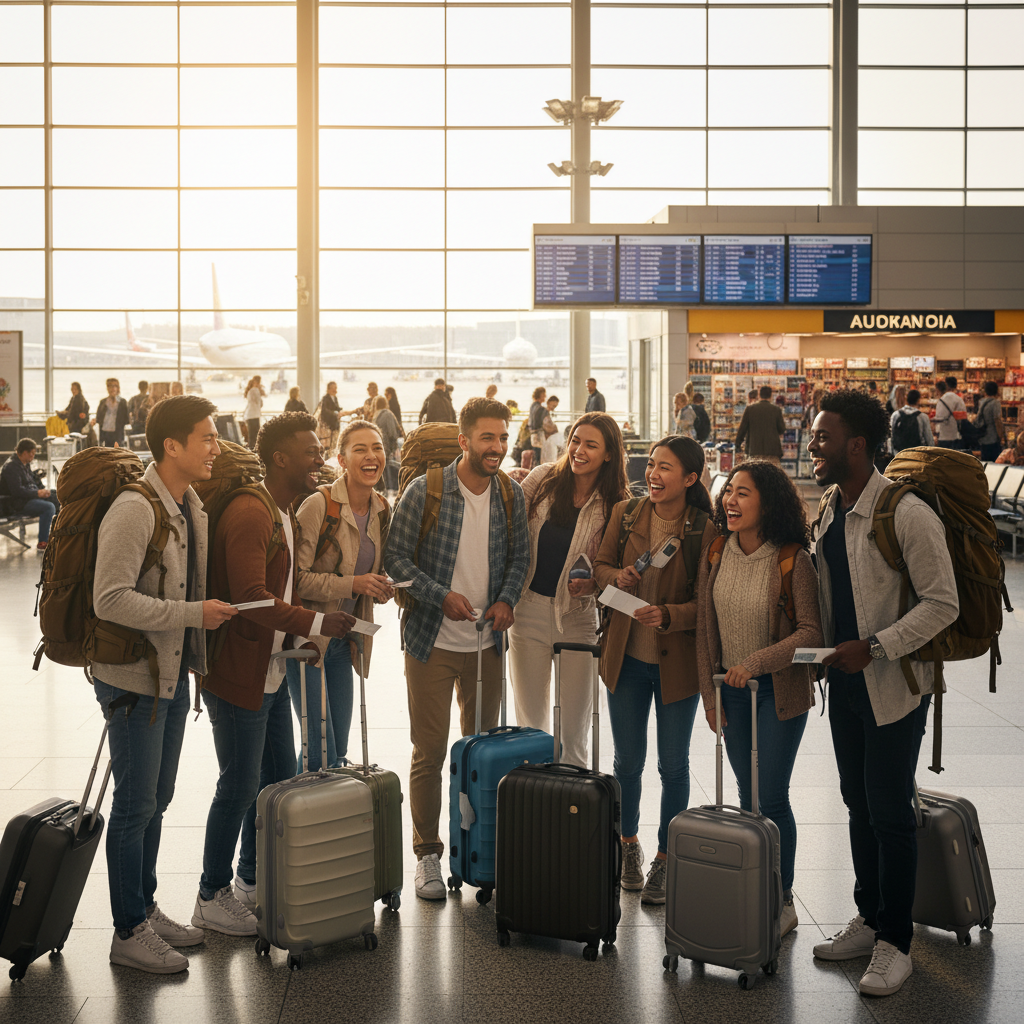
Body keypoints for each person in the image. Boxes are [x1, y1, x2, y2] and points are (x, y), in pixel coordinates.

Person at [807, 389, 958, 997]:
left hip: (893, 684)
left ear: (857, 444)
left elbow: (942, 603)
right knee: (856, 800)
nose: (813, 446)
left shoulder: (906, 513)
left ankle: (897, 942)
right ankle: (869, 919)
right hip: (843, 682)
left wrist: (872, 647)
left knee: (889, 809)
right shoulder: (828, 506)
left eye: (823, 437)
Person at [194, 412, 356, 935]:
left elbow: (274, 596)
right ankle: (211, 892)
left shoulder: (281, 511)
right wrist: (313, 620)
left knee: (277, 780)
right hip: (238, 671)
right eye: (311, 452)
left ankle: (249, 879)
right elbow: (249, 597)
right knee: (239, 784)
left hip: (269, 668)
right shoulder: (252, 511)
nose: (321, 461)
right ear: (280, 457)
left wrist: (298, 638)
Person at [90, 395, 237, 973]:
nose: (215, 446)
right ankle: (126, 930)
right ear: (171, 446)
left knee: (157, 798)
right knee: (133, 806)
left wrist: (193, 644)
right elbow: (110, 597)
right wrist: (192, 616)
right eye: (206, 436)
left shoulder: (187, 504)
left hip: (170, 674)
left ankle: (144, 908)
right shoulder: (135, 508)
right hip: (131, 678)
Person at [383, 397, 529, 901]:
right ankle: (428, 853)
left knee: (481, 748)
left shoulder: (511, 495)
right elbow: (395, 558)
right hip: (431, 642)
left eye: (503, 437)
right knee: (429, 751)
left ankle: (480, 847)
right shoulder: (427, 492)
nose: (497, 447)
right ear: (464, 441)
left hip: (486, 641)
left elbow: (520, 558)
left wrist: (507, 600)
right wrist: (438, 595)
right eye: (487, 438)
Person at [695, 460, 823, 939]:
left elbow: (811, 632)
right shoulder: (716, 552)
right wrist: (711, 695)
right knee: (747, 798)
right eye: (728, 492)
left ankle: (782, 897)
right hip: (730, 692)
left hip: (776, 692)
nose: (730, 500)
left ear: (767, 503)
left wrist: (758, 662)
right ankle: (755, 888)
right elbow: (706, 631)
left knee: (771, 795)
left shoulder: (792, 559)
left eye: (743, 493)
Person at [593, 435, 717, 905]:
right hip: (625, 657)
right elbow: (601, 565)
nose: (655, 475)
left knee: (673, 763)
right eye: (653, 466)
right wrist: (615, 578)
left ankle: (666, 857)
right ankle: (629, 846)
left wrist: (669, 615)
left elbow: (705, 604)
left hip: (675, 665)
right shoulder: (627, 515)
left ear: (690, 478)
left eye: (667, 468)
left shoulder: (702, 529)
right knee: (627, 762)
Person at [509, 413, 628, 767]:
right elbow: (508, 518)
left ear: (609, 454)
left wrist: (594, 584)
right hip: (526, 613)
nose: (578, 450)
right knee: (530, 725)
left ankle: (571, 810)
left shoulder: (617, 504)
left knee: (574, 730)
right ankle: (533, 800)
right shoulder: (543, 478)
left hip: (578, 620)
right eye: (575, 440)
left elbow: (615, 568)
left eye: (591, 445)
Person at [290, 420, 393, 771]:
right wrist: (354, 583)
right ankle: (293, 817)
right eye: (360, 449)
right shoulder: (319, 505)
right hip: (309, 640)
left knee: (336, 749)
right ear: (342, 459)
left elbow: (369, 575)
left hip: (343, 640)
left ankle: (307, 815)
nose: (371, 456)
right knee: (319, 749)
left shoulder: (381, 508)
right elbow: (297, 580)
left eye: (377, 448)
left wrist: (380, 587)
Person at [0, 439, 60, 550]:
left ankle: (58, 535)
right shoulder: (11, 467)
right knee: (48, 507)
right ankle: (43, 542)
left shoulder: (24, 463)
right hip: (16, 504)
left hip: (28, 498)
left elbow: (30, 482)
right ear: (24, 453)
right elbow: (17, 491)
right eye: (32, 453)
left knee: (57, 496)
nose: (33, 456)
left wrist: (42, 491)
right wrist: (37, 493)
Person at [735, 386, 785, 464]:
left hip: (754, 450)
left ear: (759, 395)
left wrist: (738, 445)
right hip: (772, 451)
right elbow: (782, 429)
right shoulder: (776, 410)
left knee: (755, 474)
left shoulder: (750, 409)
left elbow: (742, 430)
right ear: (771, 396)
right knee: (772, 473)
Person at [372, 394, 401, 493]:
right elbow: (392, 432)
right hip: (386, 446)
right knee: (388, 467)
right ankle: (390, 488)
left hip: (378, 446)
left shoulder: (376, 416)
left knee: (382, 468)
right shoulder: (387, 414)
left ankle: (383, 489)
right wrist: (394, 447)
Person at [888, 389, 931, 455]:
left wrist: (890, 452)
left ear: (906, 400)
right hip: (917, 454)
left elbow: (890, 435)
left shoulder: (896, 415)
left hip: (898, 453)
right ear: (918, 400)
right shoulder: (923, 417)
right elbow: (928, 438)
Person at [92, 378, 130, 448]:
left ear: (118, 388)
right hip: (105, 432)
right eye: (110, 386)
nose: (112, 388)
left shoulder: (122, 402)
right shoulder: (103, 402)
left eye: (115, 386)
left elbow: (126, 419)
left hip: (117, 433)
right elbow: (99, 417)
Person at [976, 380, 1006, 463]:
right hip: (992, 438)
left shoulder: (981, 402)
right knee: (994, 462)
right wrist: (1001, 437)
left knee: (984, 462)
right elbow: (997, 420)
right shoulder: (995, 403)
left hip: (982, 436)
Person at [932, 379, 965, 449]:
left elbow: (938, 420)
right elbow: (963, 419)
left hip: (944, 437)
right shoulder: (959, 400)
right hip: (957, 437)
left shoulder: (941, 401)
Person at [318, 381, 342, 454]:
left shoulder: (335, 398)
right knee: (327, 445)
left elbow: (336, 407)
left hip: (335, 424)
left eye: (336, 388)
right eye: (333, 388)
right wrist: (335, 413)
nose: (335, 390)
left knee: (334, 444)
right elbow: (325, 411)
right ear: (328, 389)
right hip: (328, 425)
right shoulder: (325, 398)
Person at [242, 375, 265, 450]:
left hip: (250, 415)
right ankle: (254, 452)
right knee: (255, 436)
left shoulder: (251, 390)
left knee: (252, 436)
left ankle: (252, 451)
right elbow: (260, 404)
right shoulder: (255, 390)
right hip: (254, 415)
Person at [528, 386, 547, 467]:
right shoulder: (541, 408)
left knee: (536, 455)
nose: (545, 397)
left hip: (532, 433)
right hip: (538, 434)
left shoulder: (533, 406)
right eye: (544, 395)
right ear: (540, 395)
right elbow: (539, 422)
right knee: (539, 455)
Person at [540, 394, 561, 464]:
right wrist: (555, 428)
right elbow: (546, 426)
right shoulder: (545, 412)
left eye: (555, 406)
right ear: (548, 402)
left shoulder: (546, 412)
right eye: (553, 405)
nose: (553, 408)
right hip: (545, 436)